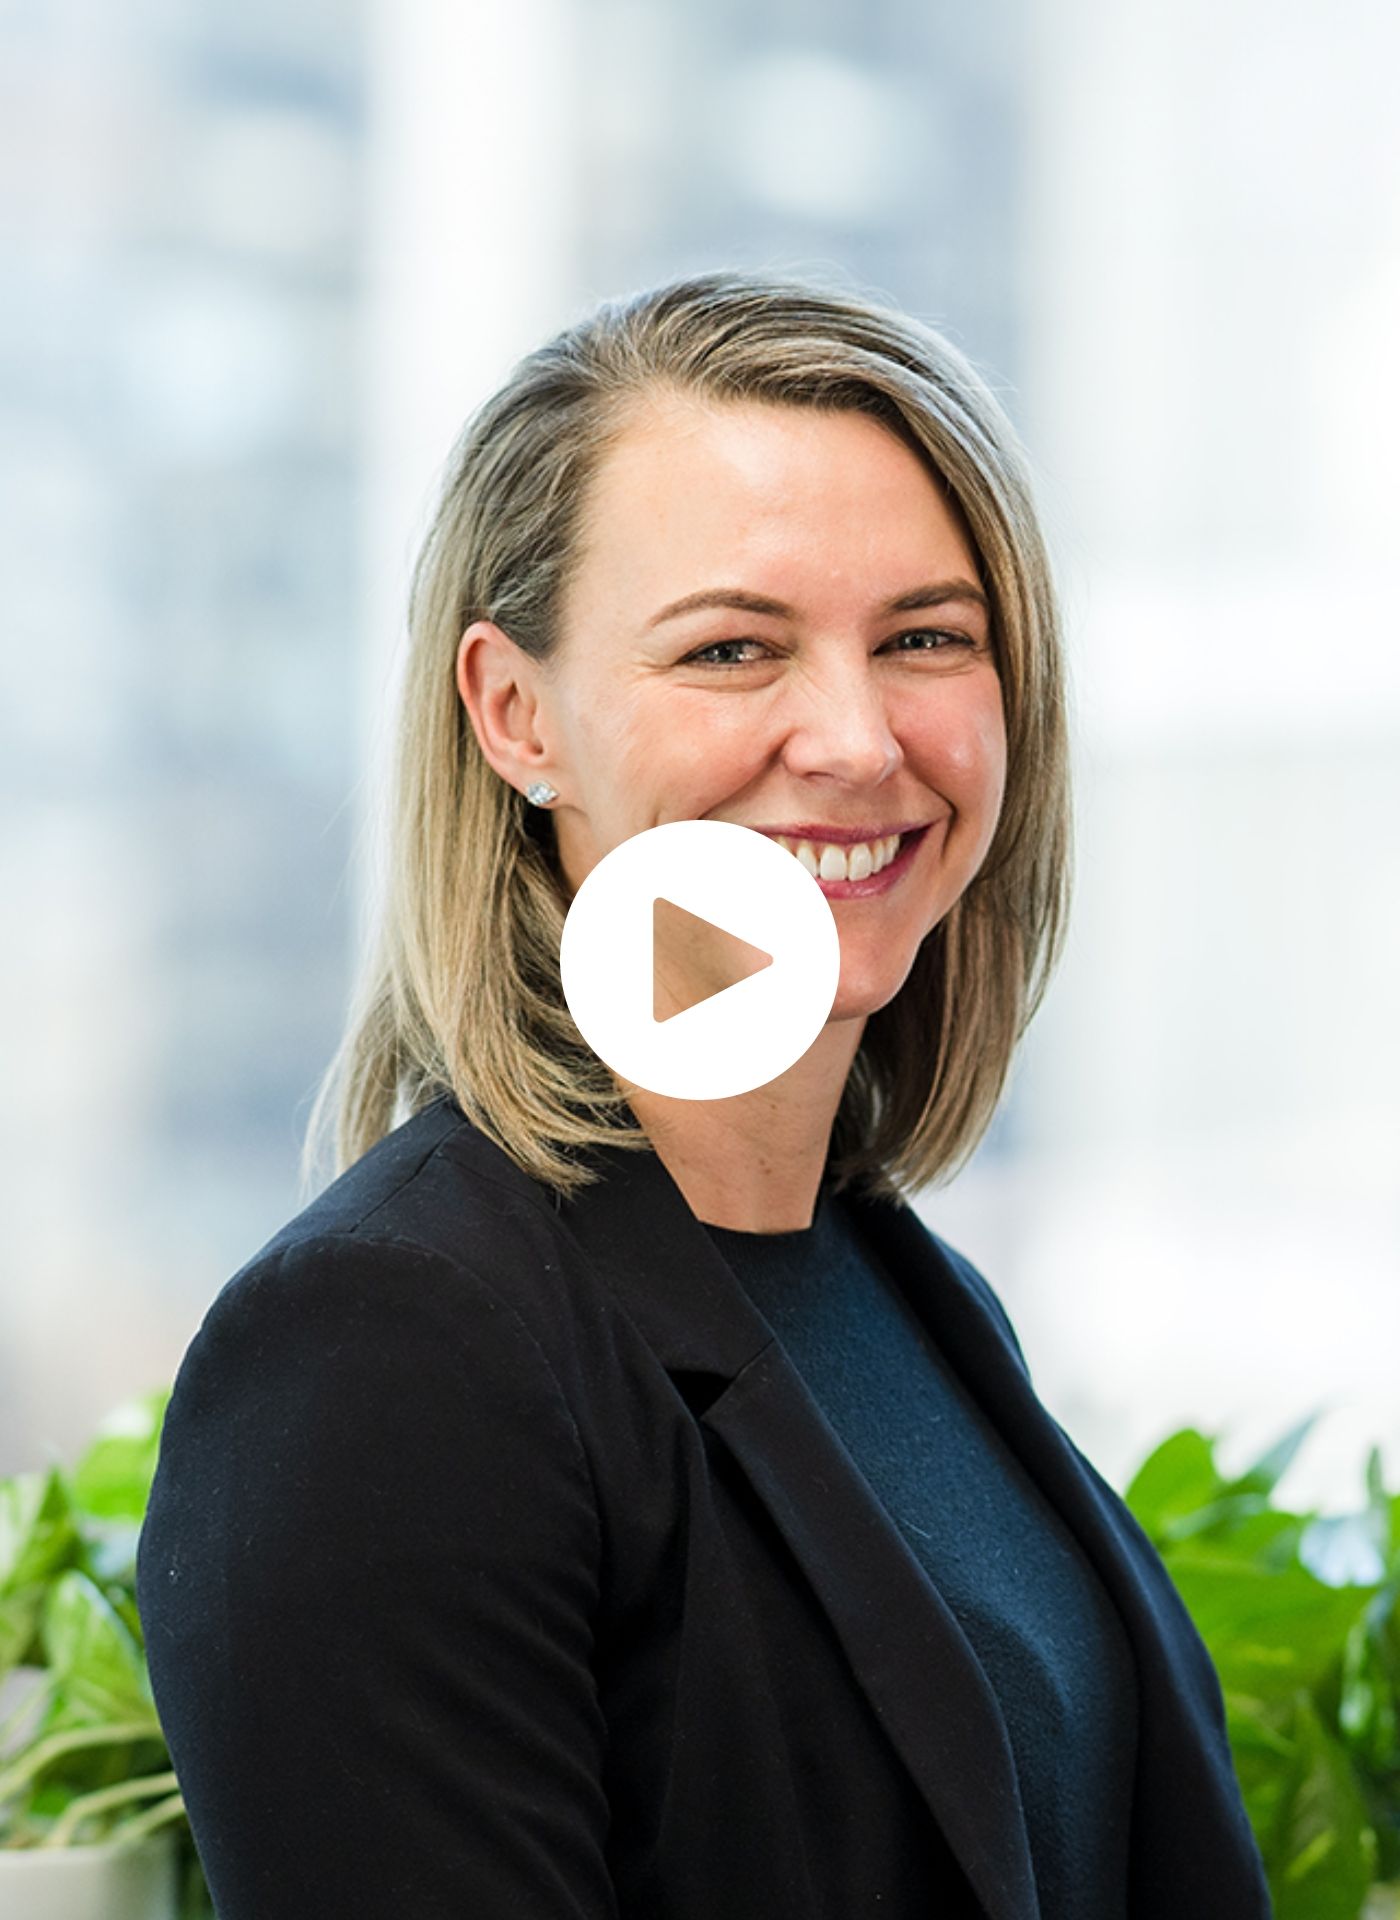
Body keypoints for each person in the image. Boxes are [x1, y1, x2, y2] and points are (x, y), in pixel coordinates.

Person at [136, 269, 1273, 1919]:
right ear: (517, 714)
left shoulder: (893, 1287)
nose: (855, 738)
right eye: (735, 648)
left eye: (927, 637)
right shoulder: (390, 1347)